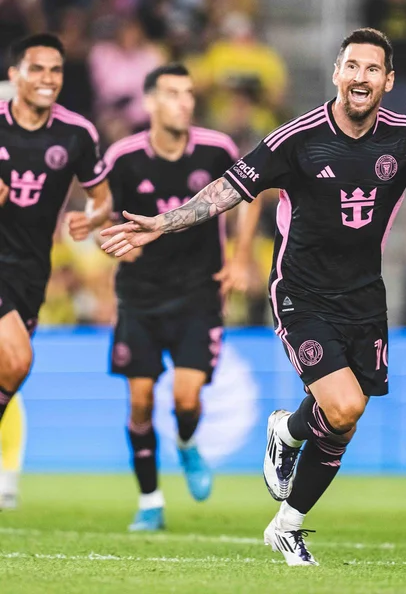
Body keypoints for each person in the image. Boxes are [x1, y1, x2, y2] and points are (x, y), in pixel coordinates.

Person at [100, 28, 406, 564]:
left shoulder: (404, 139)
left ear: (388, 81)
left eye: (372, 69)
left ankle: (287, 512)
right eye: (352, 66)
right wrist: (163, 224)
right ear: (336, 73)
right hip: (301, 293)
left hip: (365, 298)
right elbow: (226, 190)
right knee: (343, 405)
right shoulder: (295, 140)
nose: (360, 78)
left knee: (344, 421)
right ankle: (289, 451)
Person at [99, 63, 258, 531]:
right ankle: (150, 501)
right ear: (149, 102)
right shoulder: (123, 157)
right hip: (140, 297)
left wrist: (242, 255)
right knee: (141, 401)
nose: (184, 101)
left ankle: (187, 446)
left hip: (198, 292)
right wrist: (109, 245)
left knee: (187, 400)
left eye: (189, 93)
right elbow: (102, 212)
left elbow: (254, 194)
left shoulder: (217, 149)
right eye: (172, 93)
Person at [0, 32, 111, 508]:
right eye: (37, 69)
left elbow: (103, 200)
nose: (48, 79)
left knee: (12, 369)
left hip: (30, 268)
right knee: (18, 358)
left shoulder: (77, 133)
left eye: (56, 70)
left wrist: (91, 217)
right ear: (14, 75)